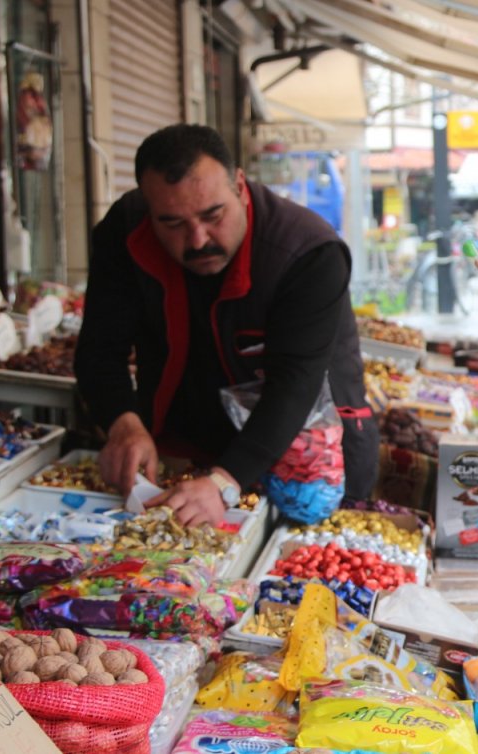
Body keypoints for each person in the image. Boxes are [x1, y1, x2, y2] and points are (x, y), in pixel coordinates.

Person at [75, 124, 378, 528]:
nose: (198, 239)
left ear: (239, 185)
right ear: (149, 210)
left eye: (212, 215)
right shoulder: (125, 230)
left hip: (308, 461)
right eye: (173, 224)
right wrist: (122, 423)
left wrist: (224, 480)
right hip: (180, 450)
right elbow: (99, 349)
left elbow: (295, 384)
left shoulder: (308, 252)